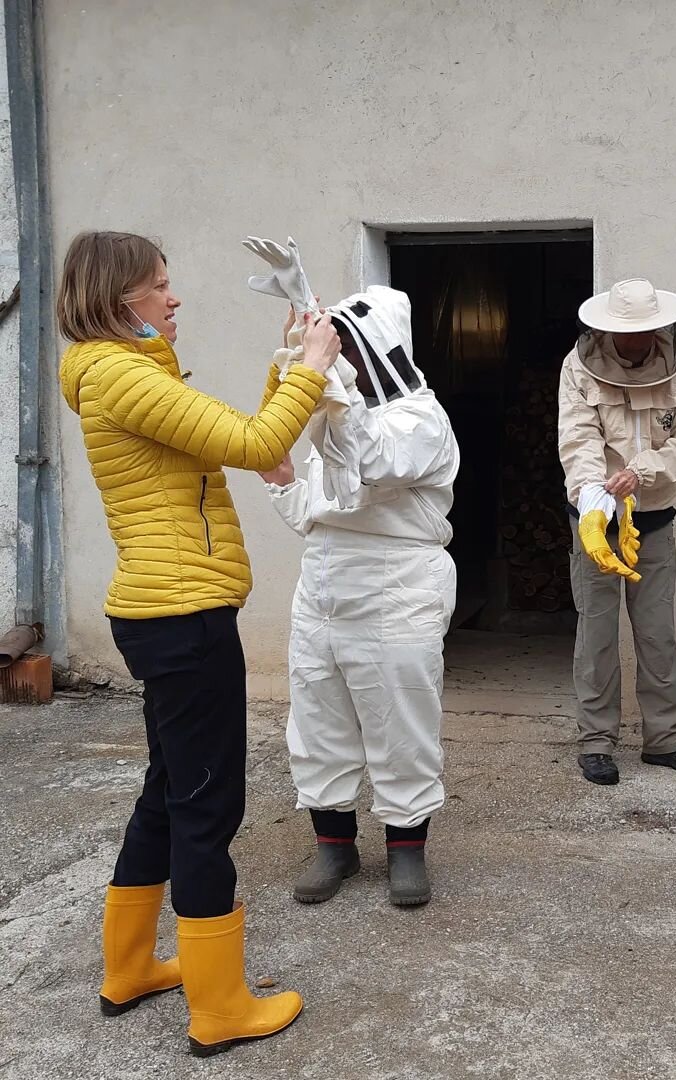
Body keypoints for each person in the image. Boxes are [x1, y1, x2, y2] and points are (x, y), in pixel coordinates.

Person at [56, 230, 340, 1055]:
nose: (173, 299)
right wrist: (315, 367)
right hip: (183, 618)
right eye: (159, 287)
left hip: (167, 614)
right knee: (208, 803)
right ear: (119, 302)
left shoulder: (126, 375)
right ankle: (219, 1009)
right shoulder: (120, 375)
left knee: (168, 788)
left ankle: (131, 966)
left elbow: (237, 432)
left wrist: (289, 361)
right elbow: (256, 447)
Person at [251, 271, 457, 908]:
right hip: (324, 583)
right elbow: (313, 511)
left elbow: (372, 461)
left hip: (398, 586)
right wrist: (282, 480)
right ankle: (333, 847)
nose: (336, 360)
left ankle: (406, 850)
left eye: (343, 348)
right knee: (318, 721)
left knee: (400, 722)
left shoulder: (422, 418)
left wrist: (324, 381)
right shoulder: (335, 423)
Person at [557, 278, 676, 786]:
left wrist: (641, 472)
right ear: (607, 330)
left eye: (646, 333)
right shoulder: (577, 367)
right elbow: (578, 438)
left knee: (657, 634)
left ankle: (665, 741)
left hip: (653, 519)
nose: (638, 342)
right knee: (597, 632)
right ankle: (596, 743)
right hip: (596, 519)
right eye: (628, 335)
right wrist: (593, 496)